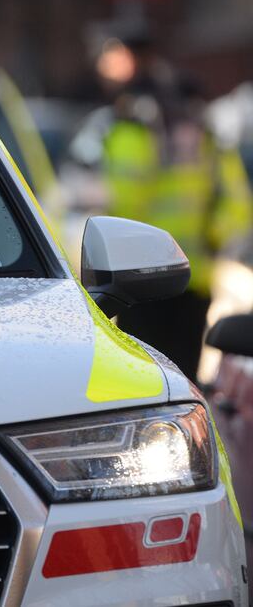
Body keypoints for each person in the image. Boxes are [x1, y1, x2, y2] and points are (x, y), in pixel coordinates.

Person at [93, 36, 252, 380]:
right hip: (194, 277)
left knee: (144, 379)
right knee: (183, 377)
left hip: (142, 278)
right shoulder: (207, 136)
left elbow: (122, 205)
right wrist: (213, 241)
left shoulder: (133, 131)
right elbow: (236, 202)